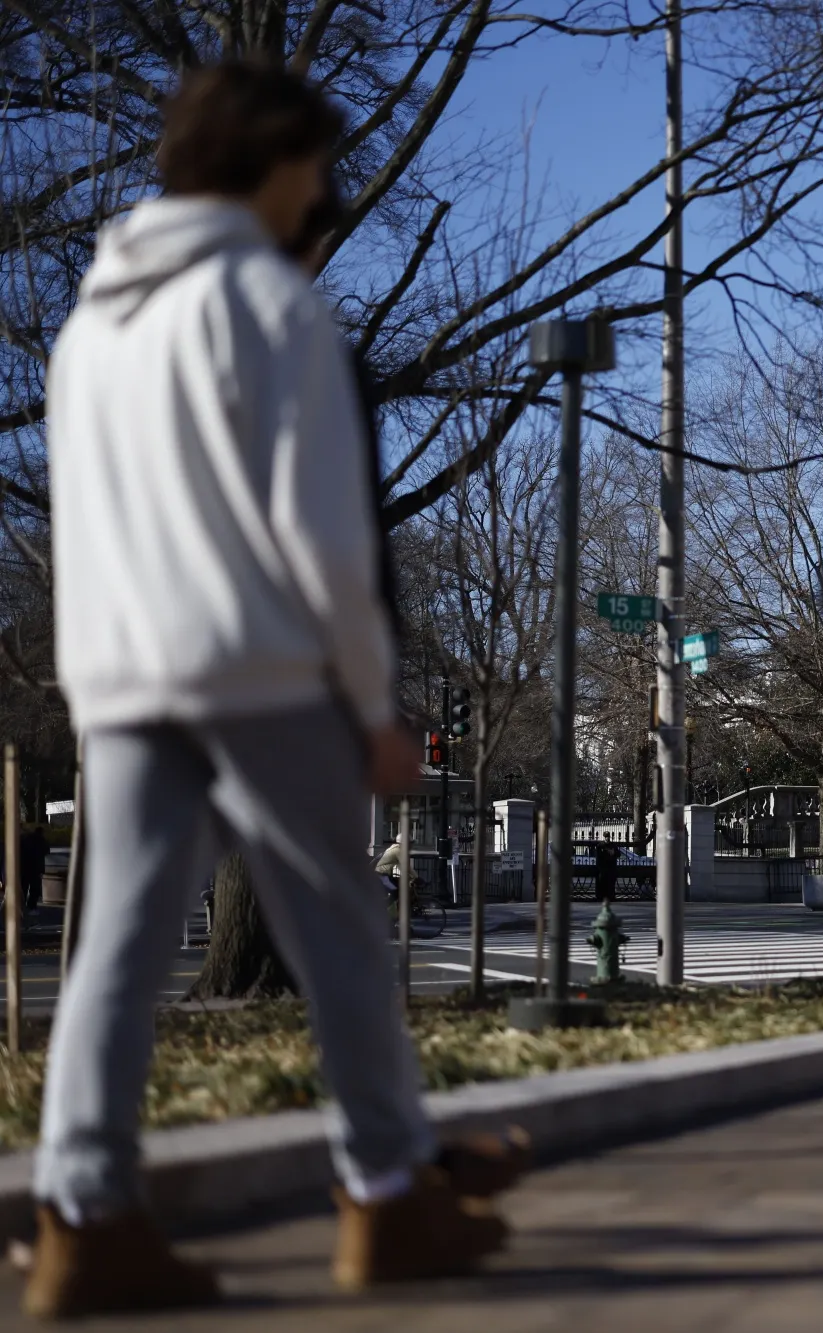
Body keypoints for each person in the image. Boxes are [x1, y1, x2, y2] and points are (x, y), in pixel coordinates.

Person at [29, 62, 524, 1319]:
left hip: (124, 670)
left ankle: (81, 1219)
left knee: (117, 956)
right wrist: (373, 702)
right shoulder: (268, 301)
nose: (327, 191)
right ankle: (387, 1194)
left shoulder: (90, 323)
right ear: (273, 161)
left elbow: (82, 523)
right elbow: (323, 538)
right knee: (342, 935)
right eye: (315, 164)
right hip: (259, 667)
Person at [593, 836, 622, 905]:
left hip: (611, 867)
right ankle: (601, 897)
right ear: (604, 837)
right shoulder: (600, 845)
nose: (607, 838)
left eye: (608, 836)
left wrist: (613, 853)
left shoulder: (613, 845)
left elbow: (618, 854)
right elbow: (598, 856)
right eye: (606, 837)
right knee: (602, 883)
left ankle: (610, 897)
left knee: (611, 883)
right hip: (603, 868)